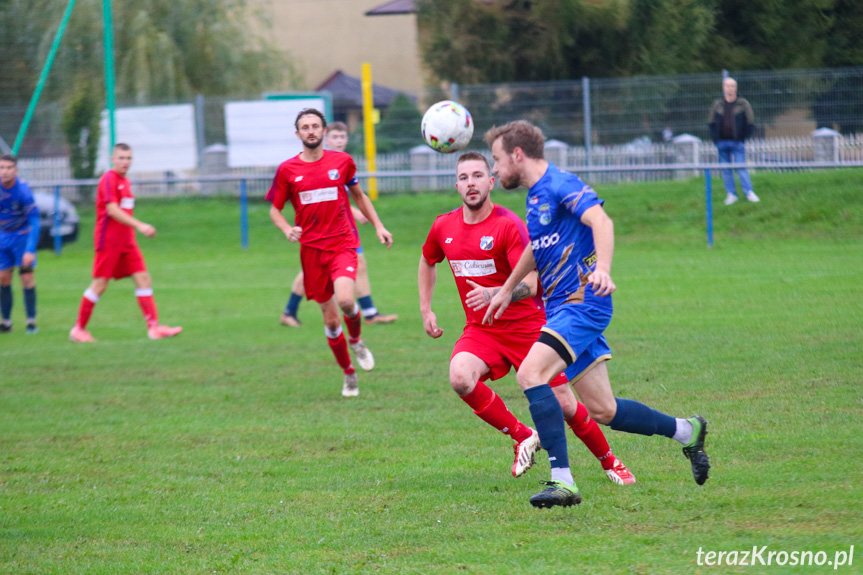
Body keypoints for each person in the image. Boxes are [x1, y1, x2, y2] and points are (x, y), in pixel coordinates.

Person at [481, 120, 710, 509]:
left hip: (582, 303)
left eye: (497, 161)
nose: (495, 170)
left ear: (517, 155)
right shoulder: (536, 197)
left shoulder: (560, 184)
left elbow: (601, 220)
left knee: (530, 374)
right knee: (604, 410)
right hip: (560, 309)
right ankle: (687, 431)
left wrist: (602, 268)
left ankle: (563, 481)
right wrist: (506, 290)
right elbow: (537, 249)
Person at [419, 152, 635, 488]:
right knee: (460, 377)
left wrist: (496, 293)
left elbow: (535, 283)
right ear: (456, 184)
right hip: (482, 330)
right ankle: (522, 435)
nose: (471, 183)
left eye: (478, 175)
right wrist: (426, 308)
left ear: (491, 182)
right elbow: (427, 259)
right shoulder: (443, 226)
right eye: (464, 177)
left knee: (564, 403)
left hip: (528, 328)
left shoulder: (508, 226)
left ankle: (609, 460)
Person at [267, 109, 393, 397]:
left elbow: (359, 197)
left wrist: (378, 225)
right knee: (331, 320)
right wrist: (287, 229)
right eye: (304, 127)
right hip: (311, 251)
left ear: (323, 131)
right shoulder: (287, 170)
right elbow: (275, 210)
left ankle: (357, 340)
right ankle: (349, 374)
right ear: (297, 134)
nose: (310, 130)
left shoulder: (342, 162)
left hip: (342, 244)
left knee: (347, 301)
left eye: (315, 126)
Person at [280, 122, 398, 327]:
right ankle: (290, 311)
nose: (339, 141)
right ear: (326, 137)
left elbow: (348, 194)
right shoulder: (317, 161)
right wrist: (354, 211)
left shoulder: (343, 162)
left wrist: (360, 214)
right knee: (320, 269)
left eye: (343, 137)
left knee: (357, 264)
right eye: (335, 137)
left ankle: (369, 312)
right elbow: (323, 197)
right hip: (327, 227)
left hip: (343, 224)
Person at [69, 143, 182, 342]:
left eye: (128, 158)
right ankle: (79, 329)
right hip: (109, 241)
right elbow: (112, 210)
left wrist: (133, 230)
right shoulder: (108, 179)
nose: (125, 162)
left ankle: (153, 328)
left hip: (127, 242)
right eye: (121, 157)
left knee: (143, 278)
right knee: (100, 284)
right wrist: (139, 225)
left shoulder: (126, 181)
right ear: (112, 159)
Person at [0, 154, 40, 334]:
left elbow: (35, 221)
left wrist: (30, 250)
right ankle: (6, 322)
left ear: (15, 170)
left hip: (22, 237)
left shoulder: (23, 191)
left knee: (26, 277)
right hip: (3, 237)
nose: (5, 171)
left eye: (9, 168)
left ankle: (31, 322)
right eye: (2, 168)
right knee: (3, 279)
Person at [709, 77, 759, 205]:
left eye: (732, 86)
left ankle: (749, 192)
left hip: (737, 142)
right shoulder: (717, 104)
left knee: (741, 167)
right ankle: (731, 194)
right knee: (726, 170)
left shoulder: (743, 104)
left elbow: (750, 122)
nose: (730, 88)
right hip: (722, 142)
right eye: (727, 86)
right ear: (723, 88)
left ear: (735, 88)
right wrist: (715, 138)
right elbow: (711, 122)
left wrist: (742, 137)